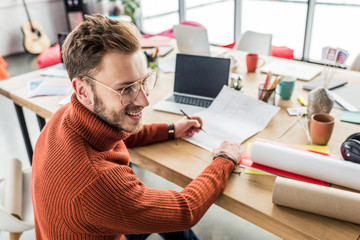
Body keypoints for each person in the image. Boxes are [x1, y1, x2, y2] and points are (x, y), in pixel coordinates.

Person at [31, 14, 243, 240]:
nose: (144, 100)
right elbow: (185, 210)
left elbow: (119, 135)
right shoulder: (99, 182)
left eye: (144, 81)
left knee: (161, 209)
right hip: (103, 218)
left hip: (90, 226)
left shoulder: (66, 116)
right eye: (127, 89)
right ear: (83, 91)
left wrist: (172, 129)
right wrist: (225, 159)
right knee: (172, 213)